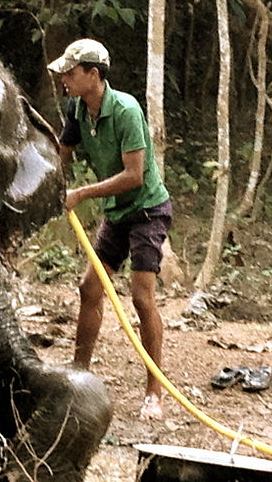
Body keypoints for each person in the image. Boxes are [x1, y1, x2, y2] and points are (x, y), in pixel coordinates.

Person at [48, 39, 172, 421]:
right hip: (116, 213)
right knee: (89, 288)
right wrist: (50, 180)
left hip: (147, 210)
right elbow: (62, 156)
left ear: (93, 75)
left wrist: (82, 193)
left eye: (71, 73)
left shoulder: (126, 110)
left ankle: (154, 391)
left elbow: (134, 176)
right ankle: (79, 374)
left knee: (141, 298)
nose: (64, 79)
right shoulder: (76, 109)